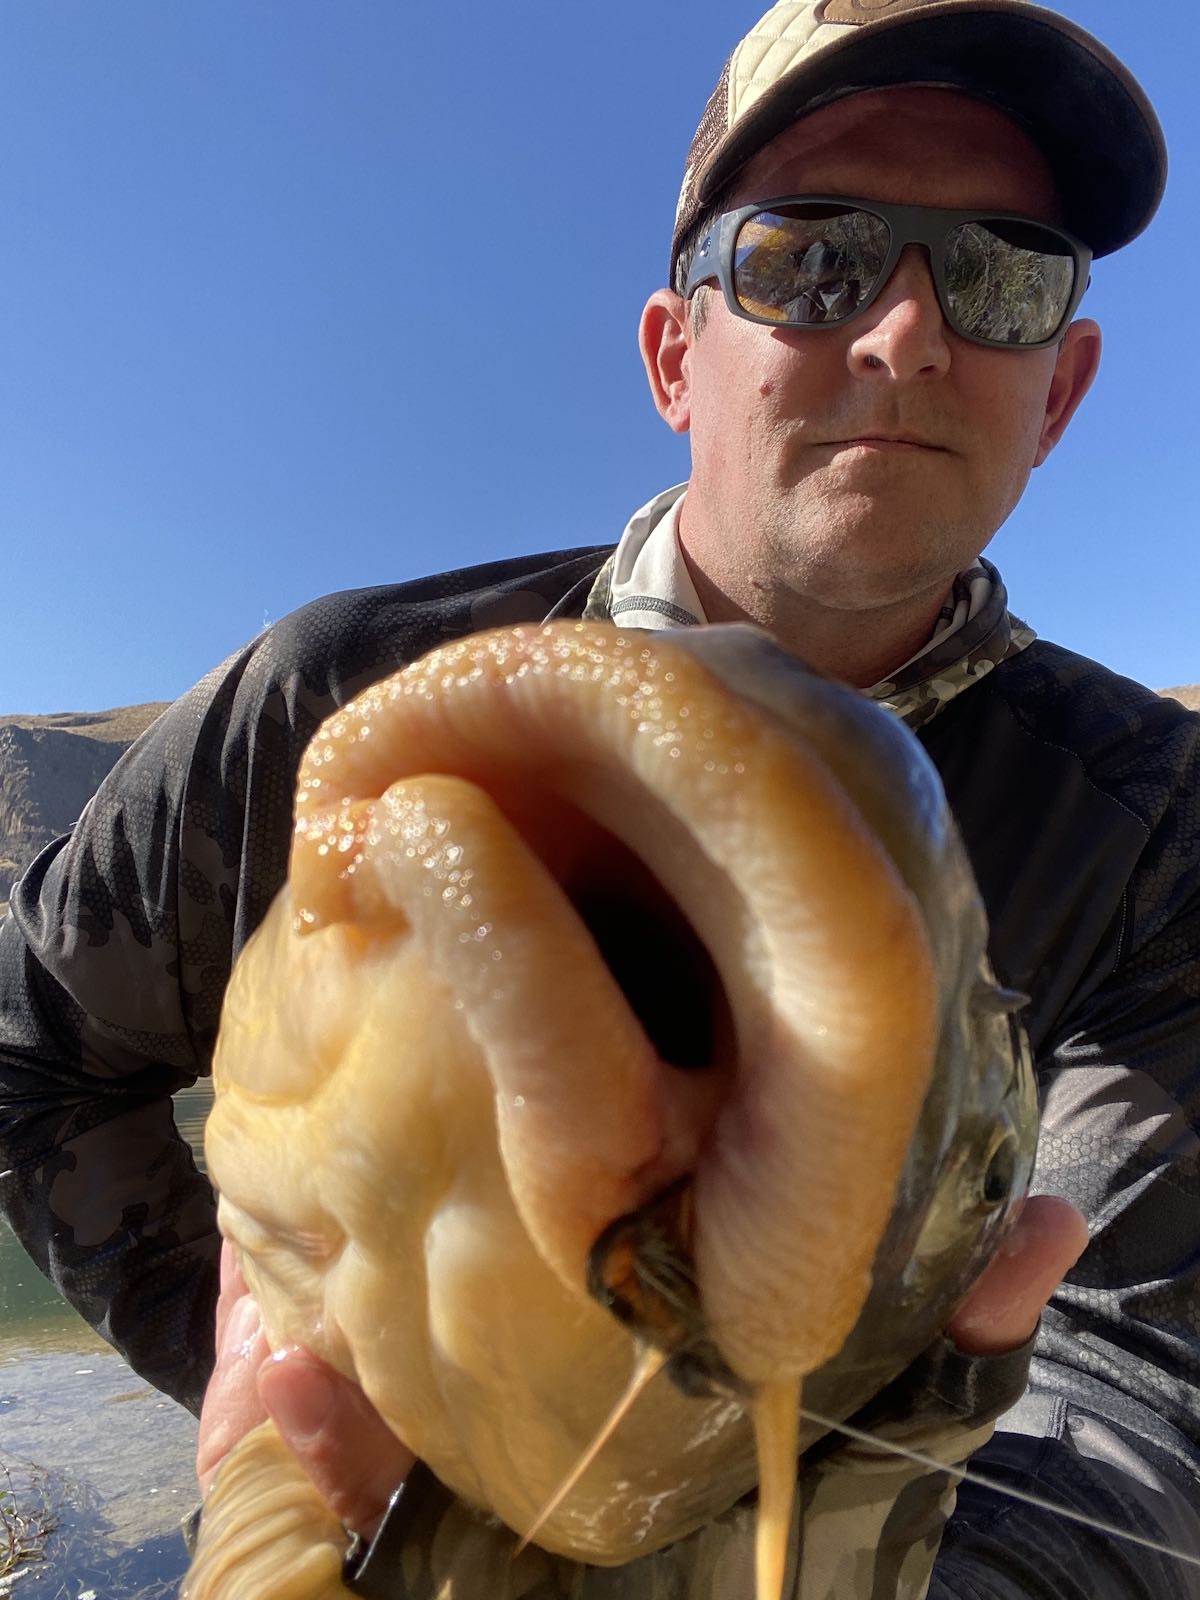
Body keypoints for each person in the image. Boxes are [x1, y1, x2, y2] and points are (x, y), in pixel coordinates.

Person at [2, 0, 1198, 1594]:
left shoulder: (1156, 834)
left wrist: (816, 1557)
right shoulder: (327, 696)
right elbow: (29, 1058)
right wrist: (293, 1371)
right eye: (810, 255)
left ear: (1059, 391)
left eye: (1000, 273)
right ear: (671, 355)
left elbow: (1135, 1389)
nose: (908, 332)